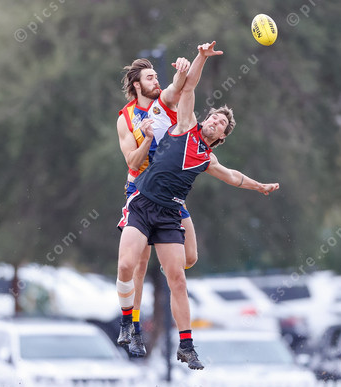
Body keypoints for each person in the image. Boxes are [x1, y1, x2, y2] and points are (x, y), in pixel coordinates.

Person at [116, 41, 279, 370]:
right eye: (214, 117)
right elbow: (187, 86)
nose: (215, 121)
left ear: (220, 138)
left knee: (179, 275)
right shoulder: (185, 125)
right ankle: (128, 324)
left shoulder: (207, 158)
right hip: (143, 202)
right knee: (127, 266)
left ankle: (186, 346)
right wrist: (201, 57)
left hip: (169, 212)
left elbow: (232, 176)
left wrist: (259, 186)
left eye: (221, 124)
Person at [117, 56, 201, 357]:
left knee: (189, 258)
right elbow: (132, 162)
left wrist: (191, 63)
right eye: (150, 77)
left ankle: (168, 259)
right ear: (137, 85)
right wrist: (147, 138)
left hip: (169, 194)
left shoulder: (164, 103)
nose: (157, 81)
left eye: (157, 76)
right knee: (138, 264)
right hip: (141, 190)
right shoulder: (126, 118)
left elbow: (181, 85)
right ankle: (134, 328)